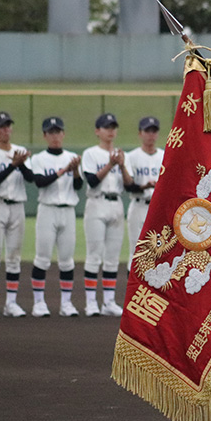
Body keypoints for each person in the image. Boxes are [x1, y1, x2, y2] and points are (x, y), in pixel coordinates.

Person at [28, 117, 83, 317]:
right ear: (44, 136)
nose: (55, 135)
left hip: (68, 210)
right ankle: (38, 303)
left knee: (67, 260)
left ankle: (66, 304)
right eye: (50, 132)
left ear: (63, 134)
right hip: (47, 210)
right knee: (42, 258)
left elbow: (78, 187)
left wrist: (75, 170)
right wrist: (64, 170)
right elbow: (40, 182)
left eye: (58, 131)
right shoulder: (38, 158)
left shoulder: (72, 157)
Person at [81, 113, 131, 317]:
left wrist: (122, 165)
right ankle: (90, 301)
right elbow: (92, 181)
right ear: (97, 131)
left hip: (116, 204)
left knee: (112, 257)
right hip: (96, 203)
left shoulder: (121, 154)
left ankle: (109, 301)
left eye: (113, 127)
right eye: (106, 127)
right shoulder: (90, 154)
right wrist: (111, 165)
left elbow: (129, 184)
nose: (110, 130)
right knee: (94, 254)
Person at [0, 111, 33, 317]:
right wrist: (13, 165)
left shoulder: (20, 151)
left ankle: (11, 302)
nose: (6, 130)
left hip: (17, 205)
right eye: (1, 126)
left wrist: (22, 163)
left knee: (14, 256)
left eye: (8, 125)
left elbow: (31, 178)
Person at [124, 117, 164, 269]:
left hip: (158, 208)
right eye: (147, 131)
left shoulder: (164, 156)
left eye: (154, 131)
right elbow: (128, 186)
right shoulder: (131, 156)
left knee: (158, 251)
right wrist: (144, 186)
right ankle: (133, 291)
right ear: (140, 133)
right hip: (139, 206)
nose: (151, 134)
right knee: (136, 250)